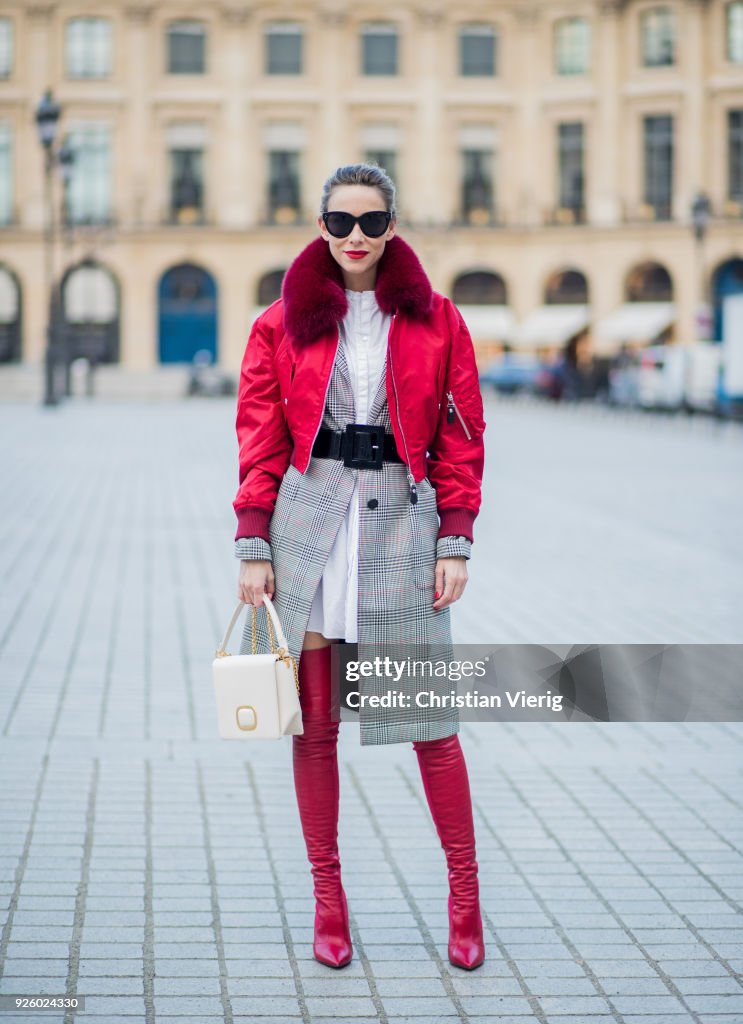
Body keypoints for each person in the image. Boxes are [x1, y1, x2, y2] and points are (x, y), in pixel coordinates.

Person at [233, 164, 486, 971]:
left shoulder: (438, 320)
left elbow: (461, 436)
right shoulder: (280, 322)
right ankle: (328, 903)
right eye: (339, 221)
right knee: (313, 732)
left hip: (402, 538)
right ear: (319, 224)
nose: (353, 237)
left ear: (391, 227)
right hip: (308, 535)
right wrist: (251, 544)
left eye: (370, 223)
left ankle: (464, 902)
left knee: (432, 733)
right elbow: (260, 434)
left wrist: (455, 538)